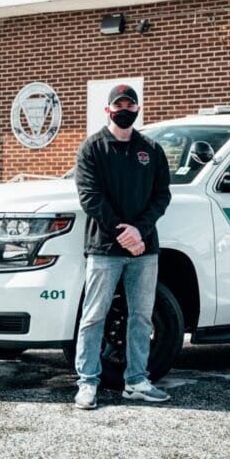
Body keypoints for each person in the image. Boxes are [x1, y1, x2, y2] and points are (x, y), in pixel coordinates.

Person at [72, 84, 172, 409]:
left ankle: (137, 381)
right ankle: (87, 383)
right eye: (119, 104)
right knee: (94, 317)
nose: (124, 109)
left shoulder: (151, 150)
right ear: (108, 110)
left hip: (144, 247)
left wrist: (138, 231)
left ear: (138, 109)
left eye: (130, 104)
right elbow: (90, 198)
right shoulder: (92, 148)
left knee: (142, 318)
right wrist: (122, 233)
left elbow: (162, 196)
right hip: (104, 249)